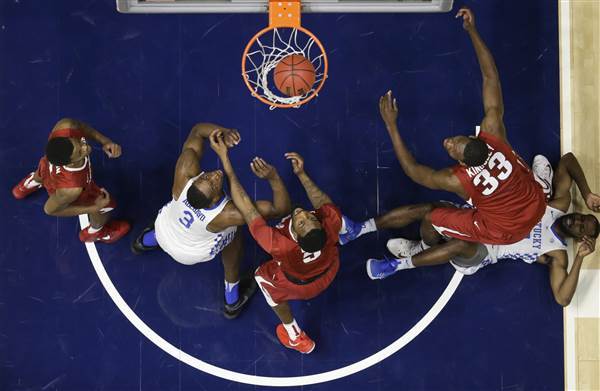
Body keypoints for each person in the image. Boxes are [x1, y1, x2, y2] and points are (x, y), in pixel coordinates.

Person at [341, 7, 545, 253]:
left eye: (451, 149)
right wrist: (472, 31)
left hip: (504, 228)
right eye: (454, 141)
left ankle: (421, 248)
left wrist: (391, 125)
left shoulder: (456, 180)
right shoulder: (494, 131)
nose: (448, 142)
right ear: (475, 137)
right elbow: (491, 77)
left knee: (432, 217)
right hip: (536, 203)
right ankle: (542, 185)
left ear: (462, 163)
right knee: (516, 168)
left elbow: (415, 172)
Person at [366, 152, 600, 307]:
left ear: (580, 238)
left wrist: (579, 258)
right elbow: (568, 160)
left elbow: (562, 298)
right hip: (481, 221)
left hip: (484, 250)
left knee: (457, 244)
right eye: (581, 217)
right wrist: (587, 192)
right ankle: (421, 246)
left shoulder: (557, 253)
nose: (576, 221)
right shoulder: (559, 205)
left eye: (580, 227)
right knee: (430, 212)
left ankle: (396, 266)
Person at [131, 123, 291, 319]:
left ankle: (144, 242)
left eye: (206, 177)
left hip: (164, 230)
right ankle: (232, 298)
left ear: (193, 179)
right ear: (214, 200)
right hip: (189, 253)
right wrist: (273, 178)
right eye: (214, 184)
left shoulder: (185, 170)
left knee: (171, 219)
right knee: (235, 234)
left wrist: (224, 133)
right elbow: (280, 209)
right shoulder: (226, 215)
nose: (214, 175)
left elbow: (197, 131)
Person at [209, 132, 342, 354]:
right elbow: (324, 204)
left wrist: (225, 160)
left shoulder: (278, 244)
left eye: (300, 223)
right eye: (309, 218)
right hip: (329, 269)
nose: (301, 214)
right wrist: (300, 174)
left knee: (261, 276)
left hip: (298, 285)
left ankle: (295, 336)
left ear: (296, 238)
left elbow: (247, 208)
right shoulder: (330, 224)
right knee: (337, 227)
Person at [12, 118, 130, 243]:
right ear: (69, 162)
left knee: (43, 169)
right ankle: (94, 232)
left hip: (47, 168)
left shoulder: (65, 127)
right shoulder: (72, 190)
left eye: (79, 143)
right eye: (80, 152)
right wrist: (94, 208)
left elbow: (81, 127)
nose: (86, 147)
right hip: (63, 189)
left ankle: (31, 183)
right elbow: (50, 210)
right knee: (106, 206)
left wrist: (105, 141)